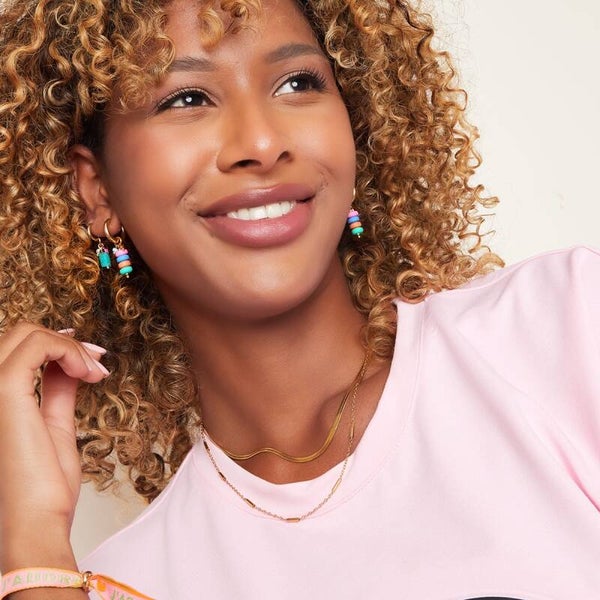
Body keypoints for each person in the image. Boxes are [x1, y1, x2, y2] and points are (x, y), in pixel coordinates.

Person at [0, 0, 598, 598]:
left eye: (297, 83)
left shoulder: (562, 328)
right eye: (187, 99)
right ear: (96, 191)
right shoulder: (122, 582)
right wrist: (34, 541)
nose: (262, 143)